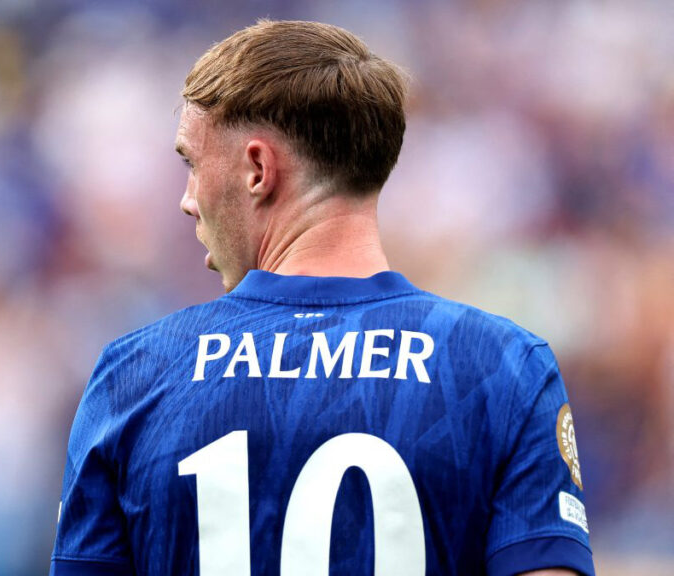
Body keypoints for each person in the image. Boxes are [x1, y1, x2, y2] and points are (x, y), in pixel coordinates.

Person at [50, 20, 594, 576]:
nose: (188, 200)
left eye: (191, 163)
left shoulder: (135, 376)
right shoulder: (501, 366)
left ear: (258, 169)